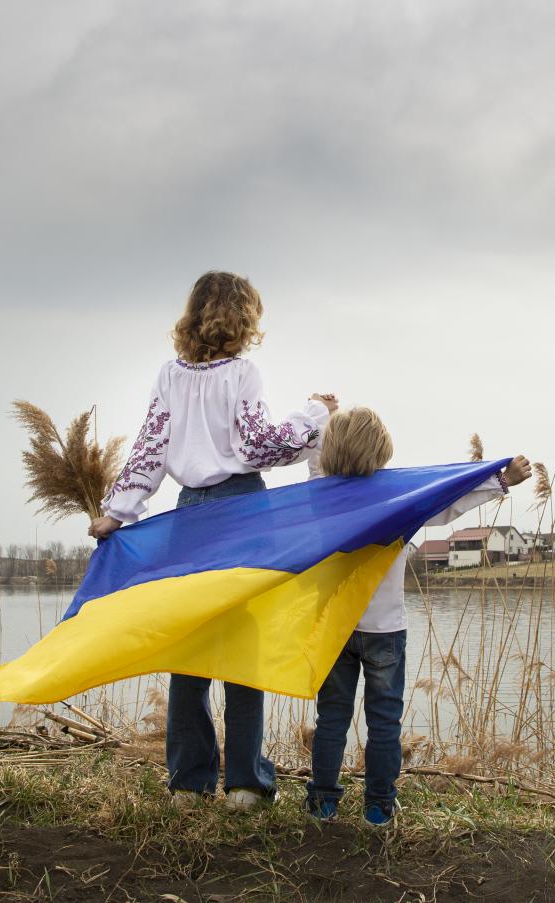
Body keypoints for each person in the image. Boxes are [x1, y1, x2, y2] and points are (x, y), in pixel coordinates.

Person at [88, 271, 337, 810]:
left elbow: (150, 448)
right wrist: (315, 415)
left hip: (190, 515)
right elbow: (259, 445)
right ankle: (246, 784)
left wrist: (116, 512)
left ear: (194, 314)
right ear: (244, 318)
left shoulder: (169, 376)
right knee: (244, 643)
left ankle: (188, 782)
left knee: (191, 643)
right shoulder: (244, 374)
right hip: (244, 510)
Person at [302, 407, 530, 825]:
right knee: (384, 722)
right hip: (385, 632)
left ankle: (323, 804)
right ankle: (378, 808)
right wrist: (500, 481)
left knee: (331, 718)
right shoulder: (398, 501)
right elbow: (450, 503)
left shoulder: (320, 498)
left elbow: (318, 467)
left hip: (335, 629)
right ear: (382, 451)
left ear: (331, 449)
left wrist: (325, 418)